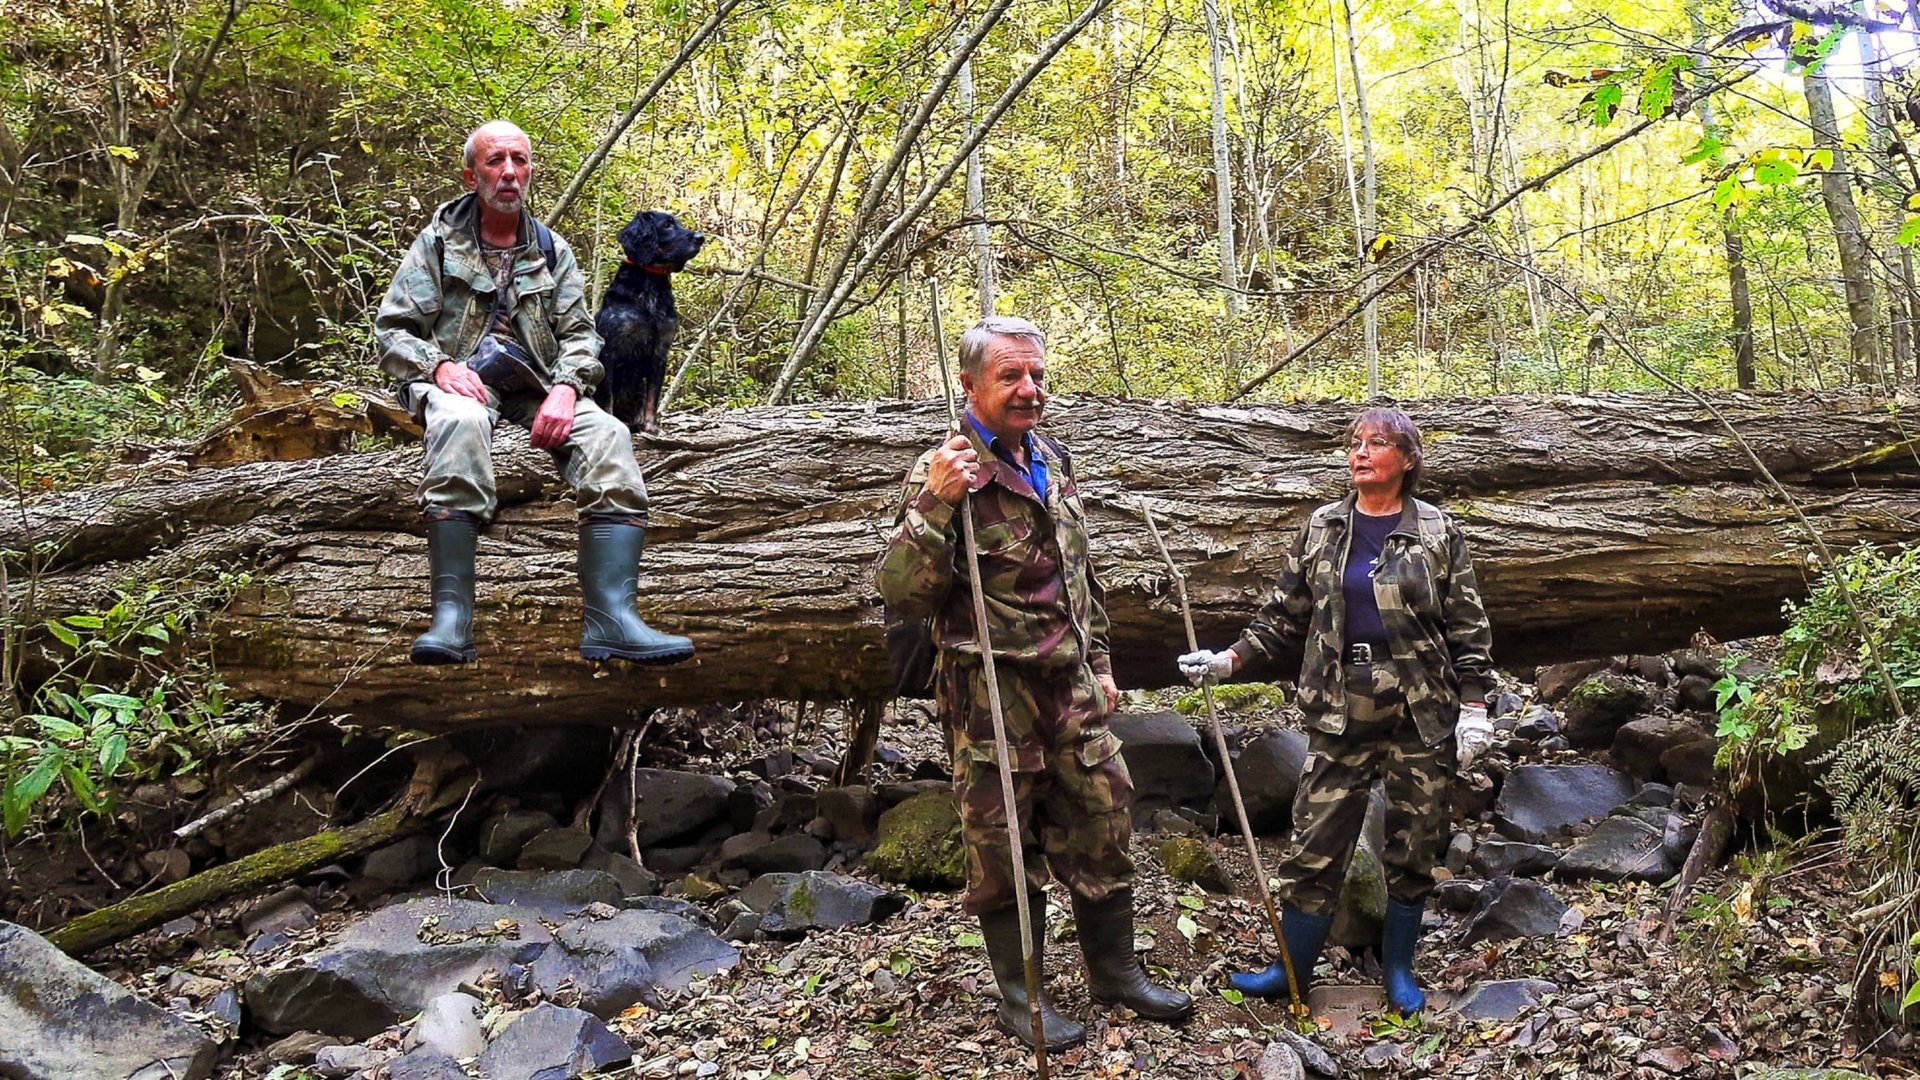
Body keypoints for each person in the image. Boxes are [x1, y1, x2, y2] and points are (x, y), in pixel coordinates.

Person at [877, 316, 1192, 1051]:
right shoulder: (943, 471)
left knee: (1105, 821)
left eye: (1037, 375)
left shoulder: (1051, 456)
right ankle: (1024, 998)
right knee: (1003, 849)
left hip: (1072, 687)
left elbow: (1080, 578)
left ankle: (1115, 974)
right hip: (994, 695)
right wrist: (935, 504)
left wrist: (1102, 664)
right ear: (969, 385)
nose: (1029, 390)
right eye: (1010, 376)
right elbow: (900, 591)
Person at [1177, 406, 1494, 1015]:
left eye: (1377, 443)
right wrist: (1228, 661)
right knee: (1315, 842)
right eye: (1354, 443)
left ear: (1407, 458)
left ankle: (1398, 971)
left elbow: (1467, 625)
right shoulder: (1324, 527)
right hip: (1338, 708)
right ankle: (1289, 969)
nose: (1361, 452)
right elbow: (1284, 615)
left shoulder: (1436, 530)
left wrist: (1475, 706)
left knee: (1415, 844)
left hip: (1420, 711)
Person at [375, 120, 693, 667]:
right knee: (460, 422)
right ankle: (452, 621)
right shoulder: (437, 243)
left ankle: (612, 621)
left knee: (609, 436)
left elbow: (581, 336)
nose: (509, 172)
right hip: (459, 380)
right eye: (495, 161)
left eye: (518, 161)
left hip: (535, 384)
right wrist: (439, 365)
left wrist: (567, 388)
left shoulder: (550, 249)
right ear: (471, 176)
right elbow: (394, 330)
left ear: (530, 171)